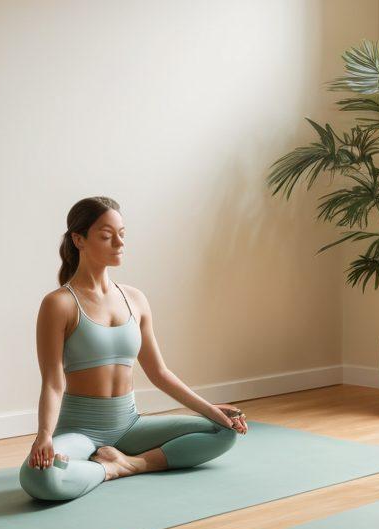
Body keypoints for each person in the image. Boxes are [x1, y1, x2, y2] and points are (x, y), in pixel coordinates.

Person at [19, 196, 247, 502]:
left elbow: (159, 372)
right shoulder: (59, 304)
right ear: (79, 239)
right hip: (80, 430)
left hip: (129, 425)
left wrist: (211, 410)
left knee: (224, 432)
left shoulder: (135, 299)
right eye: (106, 235)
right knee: (38, 477)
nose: (118, 243)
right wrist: (44, 436)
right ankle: (107, 469)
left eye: (122, 234)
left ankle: (129, 464)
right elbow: (53, 382)